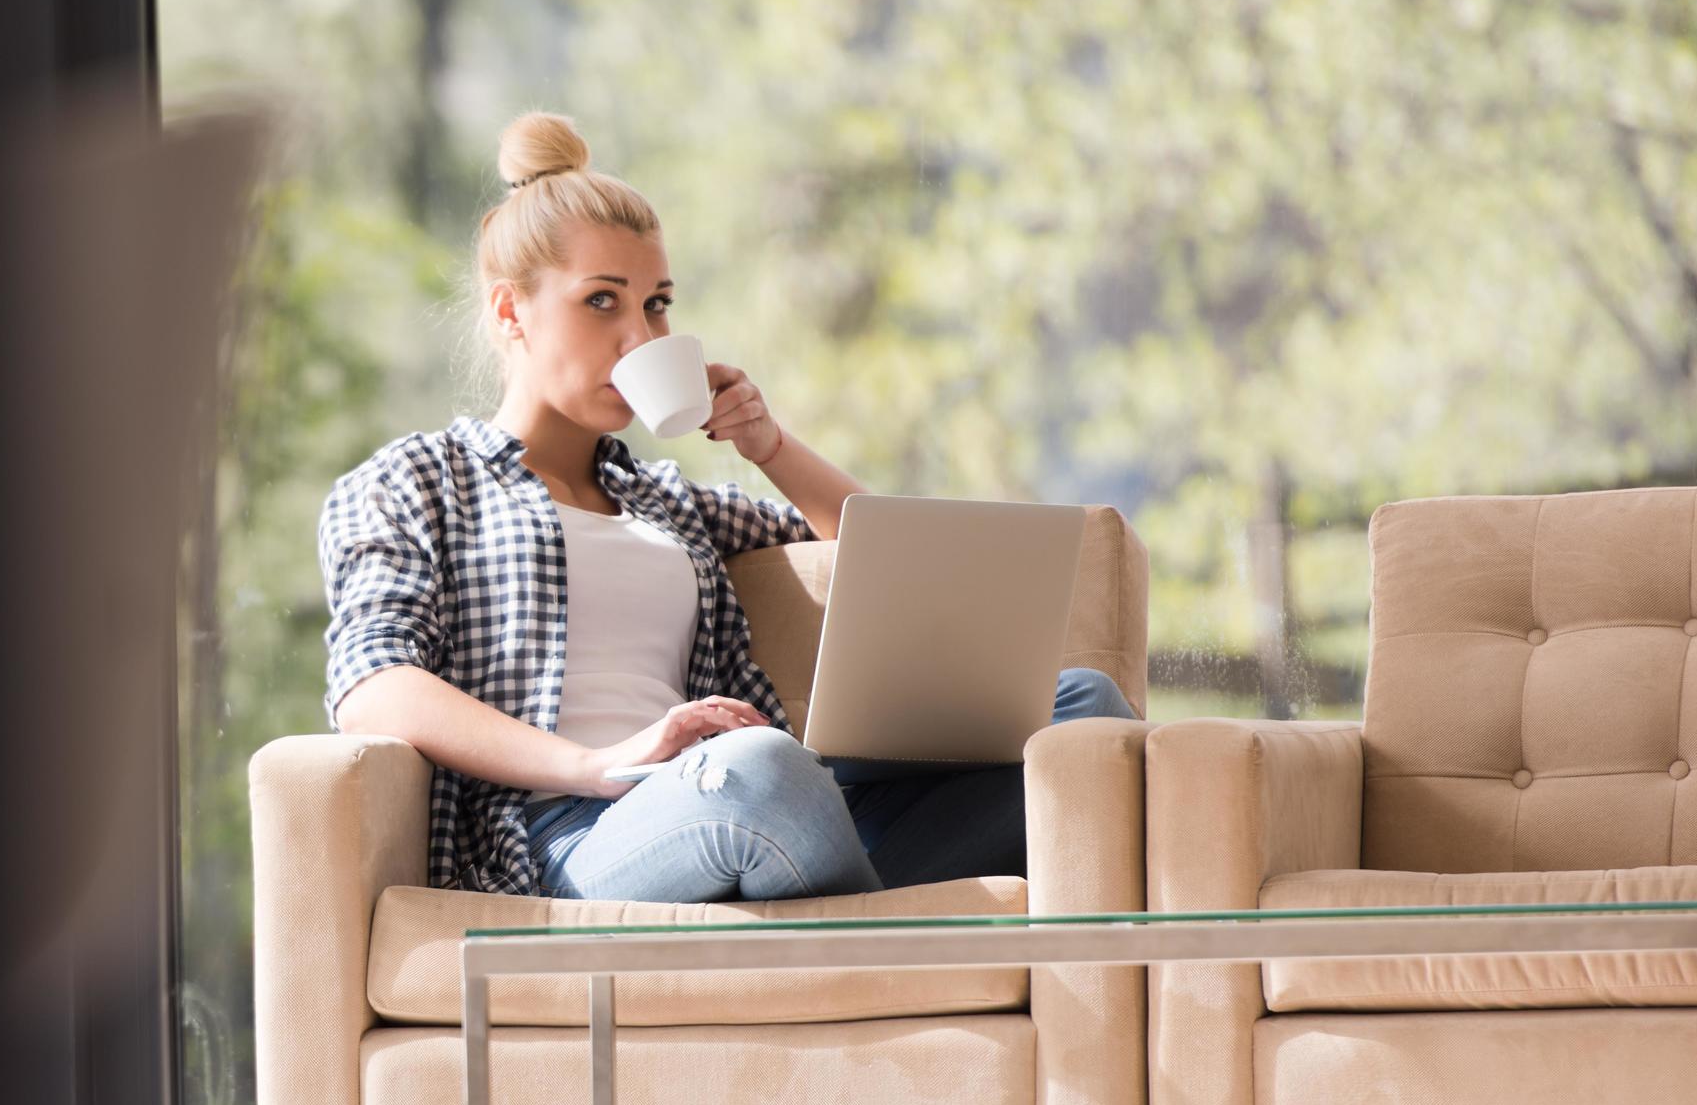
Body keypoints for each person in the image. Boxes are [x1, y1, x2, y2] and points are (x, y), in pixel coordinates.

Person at [320, 110, 1136, 904]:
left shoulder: (670, 503)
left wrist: (768, 445)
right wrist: (597, 762)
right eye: (601, 301)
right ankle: (872, 934)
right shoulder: (415, 481)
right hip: (573, 830)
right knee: (761, 768)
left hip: (759, 795)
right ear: (510, 312)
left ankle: (840, 911)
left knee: (1081, 712)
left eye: (656, 303)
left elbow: (887, 557)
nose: (639, 337)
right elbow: (373, 684)